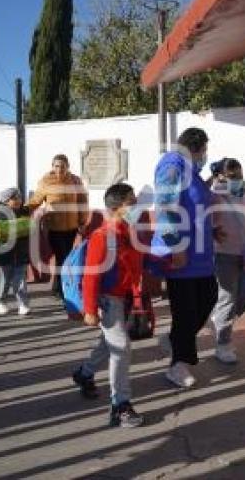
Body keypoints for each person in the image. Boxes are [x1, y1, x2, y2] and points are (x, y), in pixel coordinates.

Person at [71, 183, 144, 428]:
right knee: (121, 347)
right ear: (117, 206)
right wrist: (89, 310)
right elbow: (91, 276)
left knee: (108, 343)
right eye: (131, 201)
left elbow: (136, 263)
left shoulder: (127, 232)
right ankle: (120, 406)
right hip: (107, 301)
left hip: (122, 299)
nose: (136, 206)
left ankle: (84, 373)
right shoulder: (102, 236)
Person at [151, 127, 219, 388]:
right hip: (182, 254)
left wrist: (214, 230)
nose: (205, 155)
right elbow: (165, 206)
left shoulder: (192, 172)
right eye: (204, 150)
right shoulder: (171, 165)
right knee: (186, 311)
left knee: (207, 299)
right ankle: (178, 365)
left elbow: (196, 206)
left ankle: (176, 342)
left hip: (201, 256)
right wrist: (176, 246)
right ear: (197, 147)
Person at [209, 158, 245, 364]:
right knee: (227, 298)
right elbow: (202, 221)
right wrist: (211, 231)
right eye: (232, 176)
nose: (237, 179)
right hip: (224, 254)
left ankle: (221, 319)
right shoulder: (214, 196)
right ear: (219, 176)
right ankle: (223, 344)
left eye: (239, 175)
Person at [27, 154, 89, 298]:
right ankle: (62, 290)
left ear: (68, 166)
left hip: (72, 227)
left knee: (64, 257)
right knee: (63, 257)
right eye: (56, 166)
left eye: (62, 166)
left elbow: (82, 201)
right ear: (52, 166)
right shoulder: (46, 181)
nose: (59, 169)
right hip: (54, 227)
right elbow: (36, 200)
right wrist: (22, 209)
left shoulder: (75, 181)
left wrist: (82, 221)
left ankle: (58, 288)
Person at [0, 188, 31, 316]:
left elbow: (30, 227)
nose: (19, 200)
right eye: (15, 198)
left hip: (21, 252)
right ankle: (0, 302)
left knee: (20, 281)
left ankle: (23, 304)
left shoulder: (24, 212)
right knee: (4, 281)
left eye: (19, 197)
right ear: (6, 201)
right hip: (5, 254)